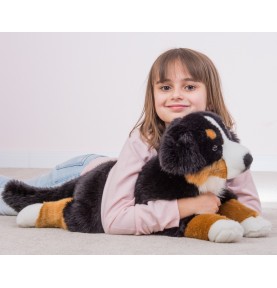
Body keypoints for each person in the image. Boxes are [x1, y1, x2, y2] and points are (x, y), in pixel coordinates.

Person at [0, 48, 261, 236]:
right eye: (165, 87)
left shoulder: (224, 146)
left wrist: (223, 212)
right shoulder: (142, 141)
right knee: (11, 199)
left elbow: (249, 211)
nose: (176, 96)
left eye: (190, 87)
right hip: (84, 175)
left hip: (103, 170)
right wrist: (186, 207)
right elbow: (113, 220)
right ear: (154, 95)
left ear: (211, 98)